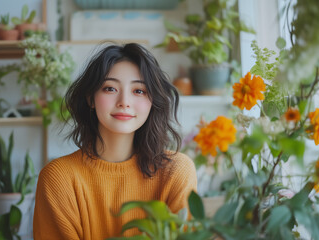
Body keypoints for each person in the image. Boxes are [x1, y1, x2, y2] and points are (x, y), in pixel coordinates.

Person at [33, 43, 197, 239]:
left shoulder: (177, 171)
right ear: (90, 98)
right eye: (110, 88)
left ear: (152, 102)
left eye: (139, 91)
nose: (124, 101)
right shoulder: (58, 179)